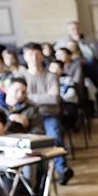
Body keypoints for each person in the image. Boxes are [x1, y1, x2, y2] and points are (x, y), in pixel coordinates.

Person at [20, 43, 73, 184]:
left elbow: (54, 99)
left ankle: (62, 169)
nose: (34, 58)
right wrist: (42, 97)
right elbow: (18, 98)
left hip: (48, 114)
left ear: (42, 56)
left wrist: (29, 97)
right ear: (25, 57)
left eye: (37, 54)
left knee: (54, 135)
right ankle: (33, 177)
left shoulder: (50, 75)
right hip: (28, 116)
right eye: (30, 54)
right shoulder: (21, 76)